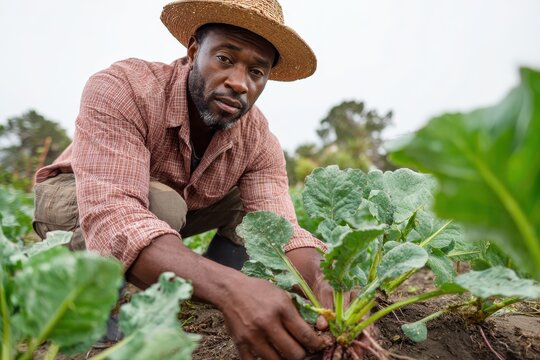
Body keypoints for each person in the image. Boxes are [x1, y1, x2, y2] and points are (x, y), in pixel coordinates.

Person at [33, 0, 355, 358]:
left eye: (257, 72)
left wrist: (325, 276)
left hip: (170, 215)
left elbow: (281, 230)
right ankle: (98, 320)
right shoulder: (124, 88)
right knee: (161, 203)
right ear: (193, 50)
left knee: (252, 217)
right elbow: (114, 217)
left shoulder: (259, 140)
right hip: (74, 200)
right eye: (225, 59)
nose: (239, 83)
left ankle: (206, 293)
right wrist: (233, 289)